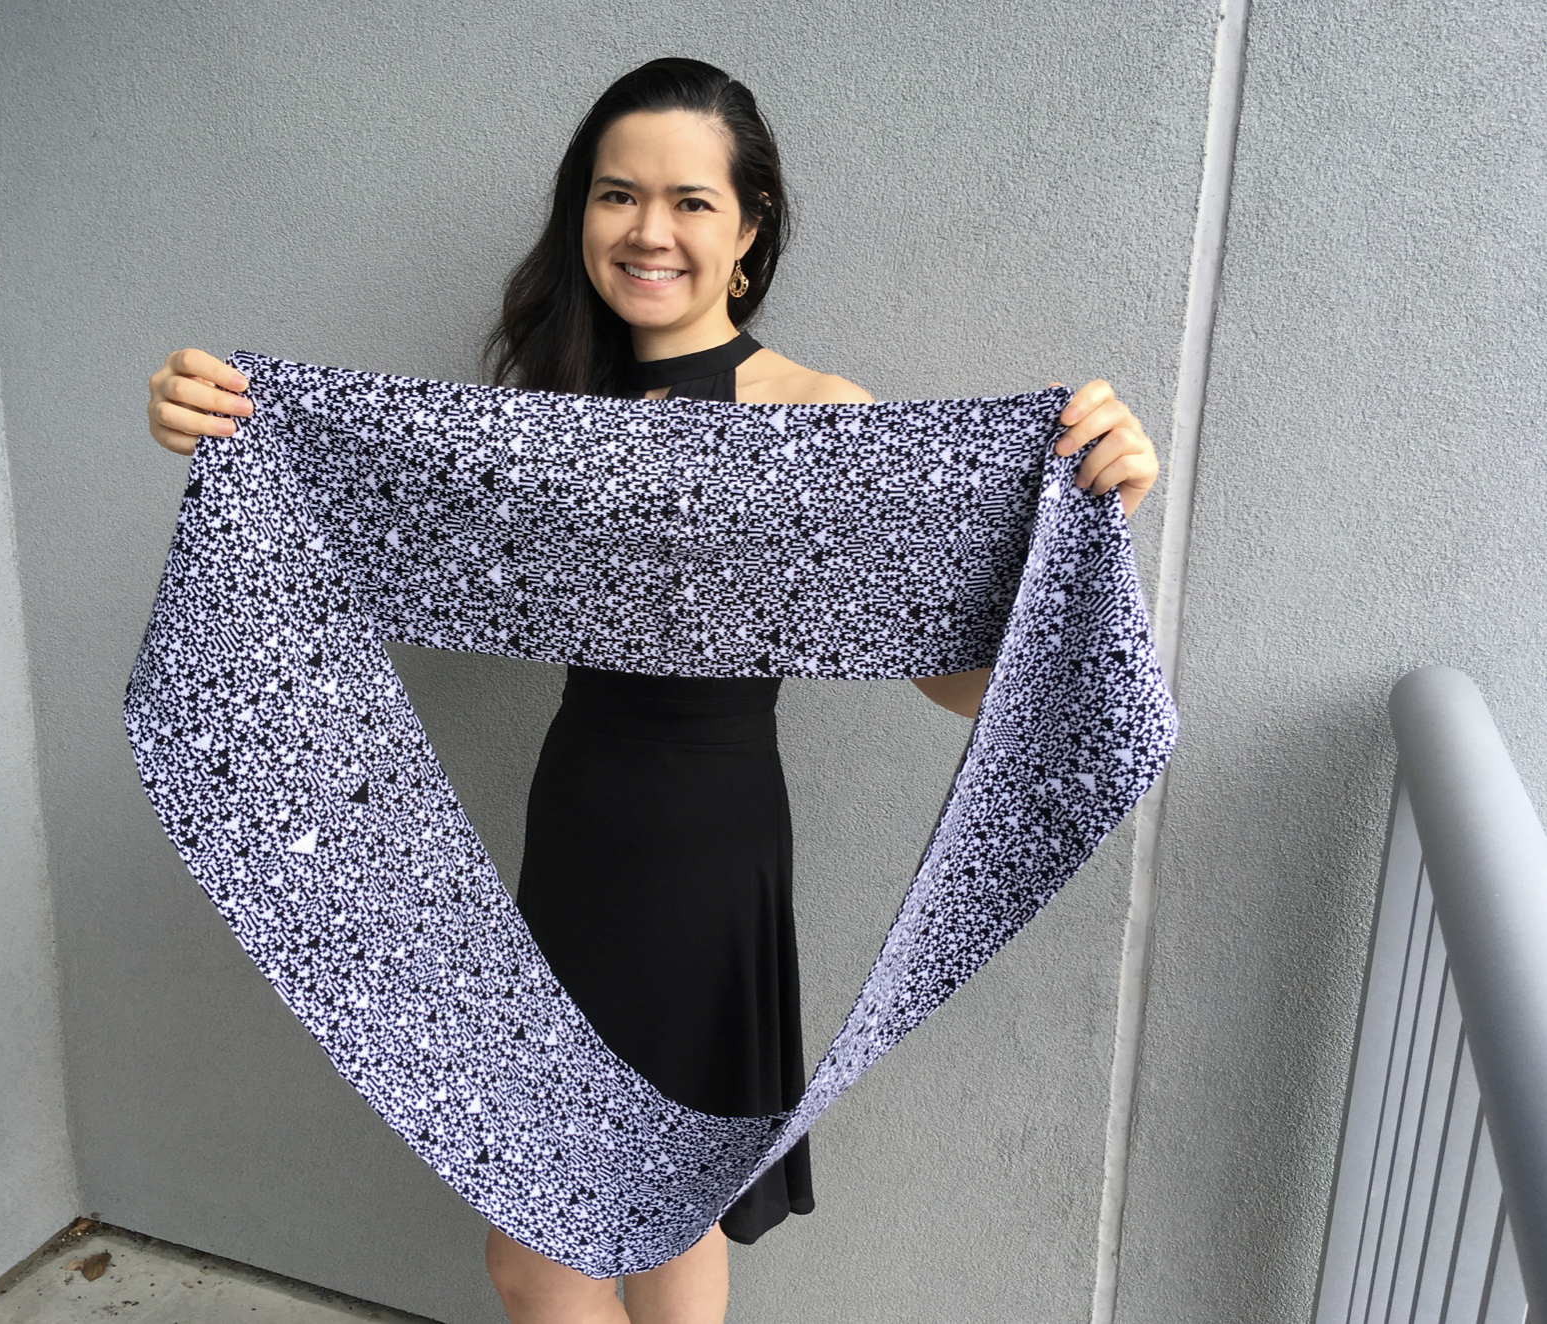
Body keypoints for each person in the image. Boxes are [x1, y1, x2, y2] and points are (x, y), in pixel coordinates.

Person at [146, 56, 1158, 1324]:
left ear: (749, 229)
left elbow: (955, 680)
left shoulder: (814, 416)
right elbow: (346, 525)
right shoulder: (545, 413)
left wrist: (1091, 502)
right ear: (582, 216)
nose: (649, 229)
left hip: (705, 855)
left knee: (561, 1244)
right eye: (619, 194)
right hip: (574, 833)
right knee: (645, 1221)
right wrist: (231, 433)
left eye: (689, 201)